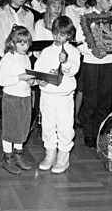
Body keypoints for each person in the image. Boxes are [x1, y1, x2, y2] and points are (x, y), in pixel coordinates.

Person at [0, 0, 35, 142]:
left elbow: (31, 36)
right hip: (4, 57)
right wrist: (9, 55)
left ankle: (18, 131)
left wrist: (23, 55)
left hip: (23, 57)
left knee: (20, 90)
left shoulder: (28, 14)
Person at [34, 16, 80, 173]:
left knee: (64, 127)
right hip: (47, 95)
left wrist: (65, 61)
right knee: (47, 126)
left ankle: (63, 158)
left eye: (62, 34)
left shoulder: (74, 51)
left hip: (64, 97)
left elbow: (72, 70)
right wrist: (40, 80)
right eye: (55, 33)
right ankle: (49, 155)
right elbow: (39, 69)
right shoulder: (46, 51)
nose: (58, 37)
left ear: (69, 35)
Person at [78, 0, 112, 148]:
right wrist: (95, 50)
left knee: (105, 100)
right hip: (92, 63)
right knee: (91, 100)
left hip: (109, 63)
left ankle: (99, 132)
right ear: (98, 0)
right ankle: (88, 133)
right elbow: (80, 43)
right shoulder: (86, 17)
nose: (111, 3)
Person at [0, 26, 36, 174]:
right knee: (10, 128)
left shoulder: (26, 57)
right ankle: (7, 158)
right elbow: (2, 81)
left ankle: (19, 155)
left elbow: (28, 78)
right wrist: (20, 77)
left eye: (27, 43)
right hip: (11, 98)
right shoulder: (8, 59)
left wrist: (33, 81)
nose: (25, 46)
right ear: (12, 43)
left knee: (22, 127)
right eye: (21, 43)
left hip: (25, 96)